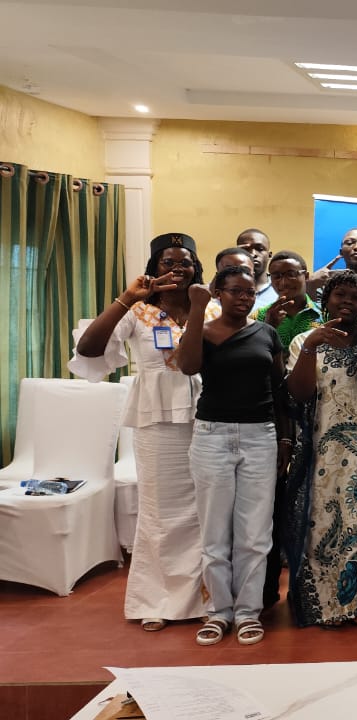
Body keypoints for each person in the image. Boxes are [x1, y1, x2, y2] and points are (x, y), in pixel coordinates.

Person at [70, 233, 213, 633]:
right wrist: (126, 298)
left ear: (196, 268)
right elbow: (89, 350)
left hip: (209, 417)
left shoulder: (210, 306)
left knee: (204, 513)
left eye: (185, 262)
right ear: (154, 268)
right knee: (159, 512)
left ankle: (205, 598)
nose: (177, 268)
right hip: (157, 421)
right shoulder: (138, 311)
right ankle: (156, 600)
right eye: (168, 262)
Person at [176, 266, 289, 646]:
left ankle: (247, 612)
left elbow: (277, 388)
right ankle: (218, 611)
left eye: (249, 293)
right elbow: (188, 365)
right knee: (214, 533)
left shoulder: (267, 334)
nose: (243, 298)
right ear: (218, 293)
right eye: (235, 291)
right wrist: (196, 308)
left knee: (255, 534)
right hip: (212, 435)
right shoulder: (203, 330)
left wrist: (285, 439)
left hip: (260, 436)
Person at [282, 271, 357, 627]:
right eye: (340, 295)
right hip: (321, 454)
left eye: (356, 297)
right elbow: (299, 393)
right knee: (321, 526)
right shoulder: (305, 340)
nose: (347, 302)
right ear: (325, 300)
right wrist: (311, 345)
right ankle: (324, 604)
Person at [254, 250, 322, 610]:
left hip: (314, 417)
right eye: (276, 276)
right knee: (274, 500)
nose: (283, 282)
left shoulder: (322, 315)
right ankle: (269, 584)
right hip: (272, 416)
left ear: (305, 276)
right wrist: (268, 324)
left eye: (291, 274)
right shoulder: (259, 316)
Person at [236, 228, 276, 311]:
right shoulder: (224, 290)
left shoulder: (281, 289)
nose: (253, 254)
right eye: (245, 250)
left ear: (269, 255)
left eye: (260, 249)